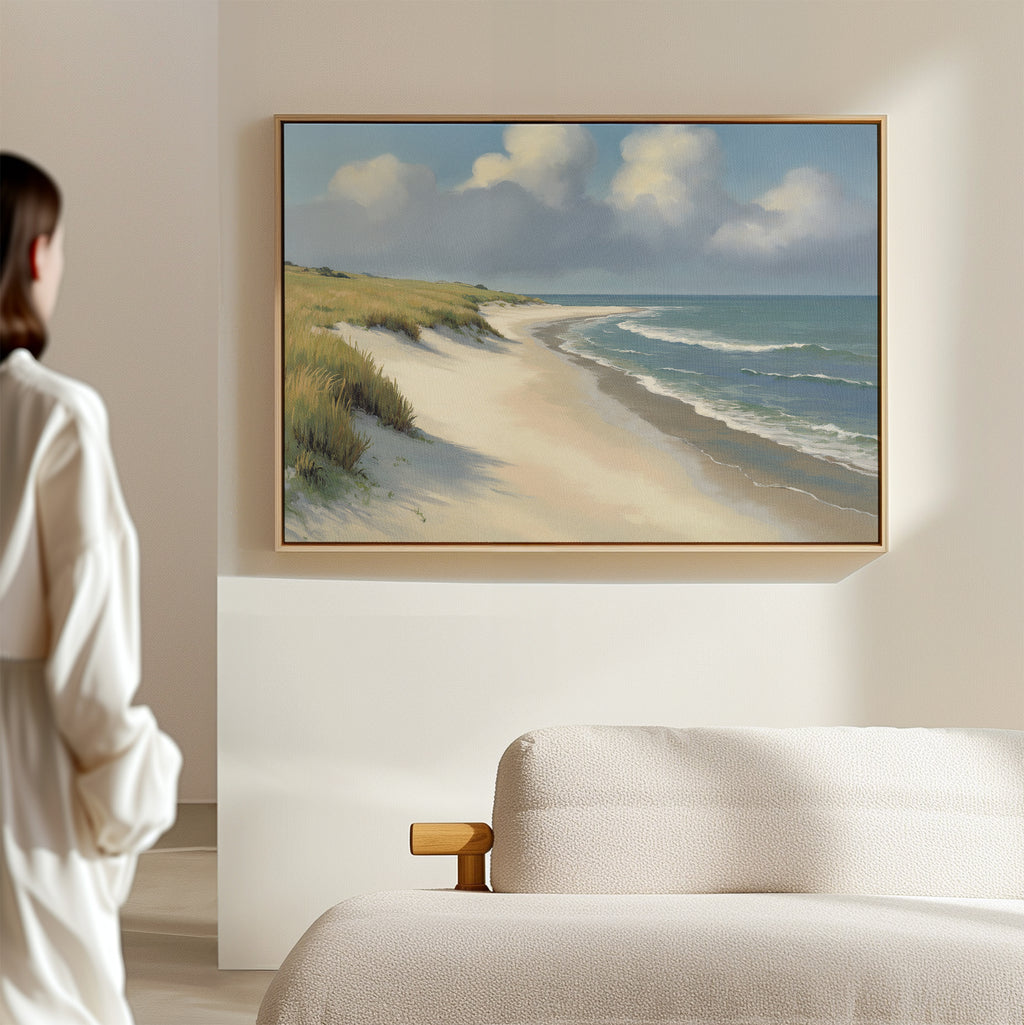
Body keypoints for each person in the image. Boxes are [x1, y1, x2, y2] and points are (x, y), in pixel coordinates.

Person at [0, 153, 182, 1025]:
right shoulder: (54, 414)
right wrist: (131, 790)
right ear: (36, 255)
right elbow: (89, 667)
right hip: (20, 766)